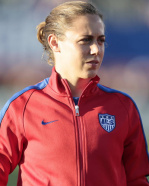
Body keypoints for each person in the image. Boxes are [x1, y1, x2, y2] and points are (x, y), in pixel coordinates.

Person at [0, 1, 149, 185]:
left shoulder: (123, 107)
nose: (96, 49)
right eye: (85, 40)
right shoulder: (21, 107)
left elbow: (137, 179)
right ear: (55, 43)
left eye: (100, 40)